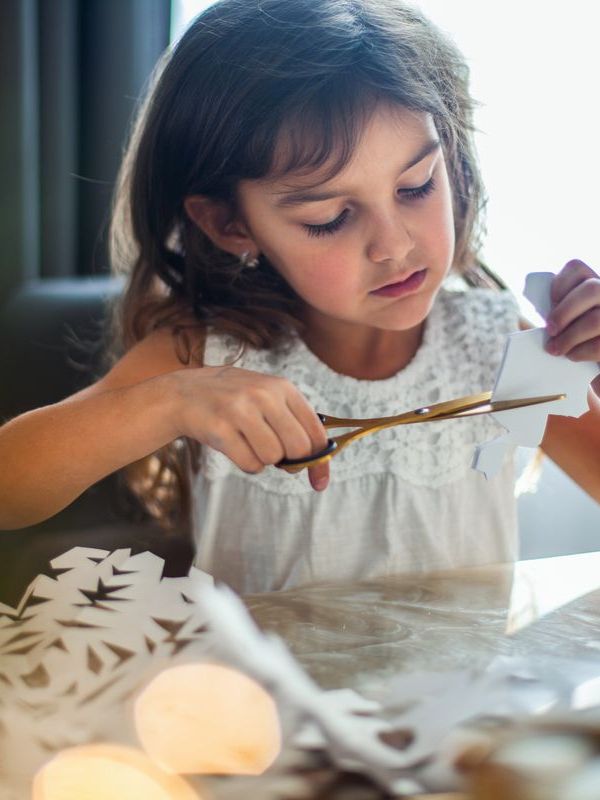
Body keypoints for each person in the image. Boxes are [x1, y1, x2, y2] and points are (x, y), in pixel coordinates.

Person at [1, 0, 599, 593]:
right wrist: (168, 403)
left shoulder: (499, 345)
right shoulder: (204, 355)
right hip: (267, 690)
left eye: (417, 186)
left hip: (461, 690)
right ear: (230, 225)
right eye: (330, 217)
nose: (393, 245)